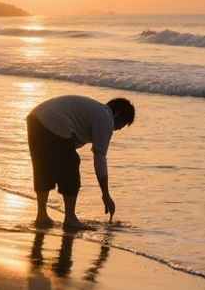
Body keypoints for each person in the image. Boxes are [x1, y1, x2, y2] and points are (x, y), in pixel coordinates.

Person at [26, 94, 135, 230]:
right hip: (56, 120)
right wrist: (106, 194)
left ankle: (41, 215)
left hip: (35, 118)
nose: (117, 129)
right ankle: (70, 218)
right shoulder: (106, 119)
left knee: (43, 167)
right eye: (121, 124)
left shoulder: (95, 110)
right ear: (117, 114)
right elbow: (100, 156)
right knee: (71, 165)